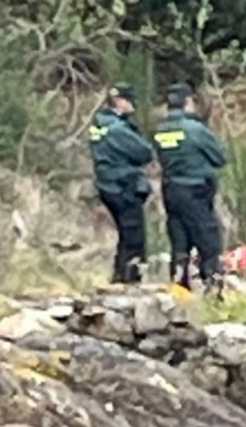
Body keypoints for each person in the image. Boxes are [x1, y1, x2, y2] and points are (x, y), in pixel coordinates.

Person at [153, 82, 227, 290]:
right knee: (208, 239)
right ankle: (213, 287)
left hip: (170, 189)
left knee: (180, 240)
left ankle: (178, 287)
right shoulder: (195, 130)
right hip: (195, 190)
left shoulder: (160, 130)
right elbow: (219, 158)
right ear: (188, 102)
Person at [88, 82, 154, 284]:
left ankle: (119, 277)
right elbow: (144, 152)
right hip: (123, 186)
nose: (133, 105)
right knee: (134, 237)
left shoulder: (99, 124)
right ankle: (130, 280)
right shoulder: (118, 129)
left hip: (106, 185)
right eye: (129, 100)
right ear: (119, 101)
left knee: (125, 236)